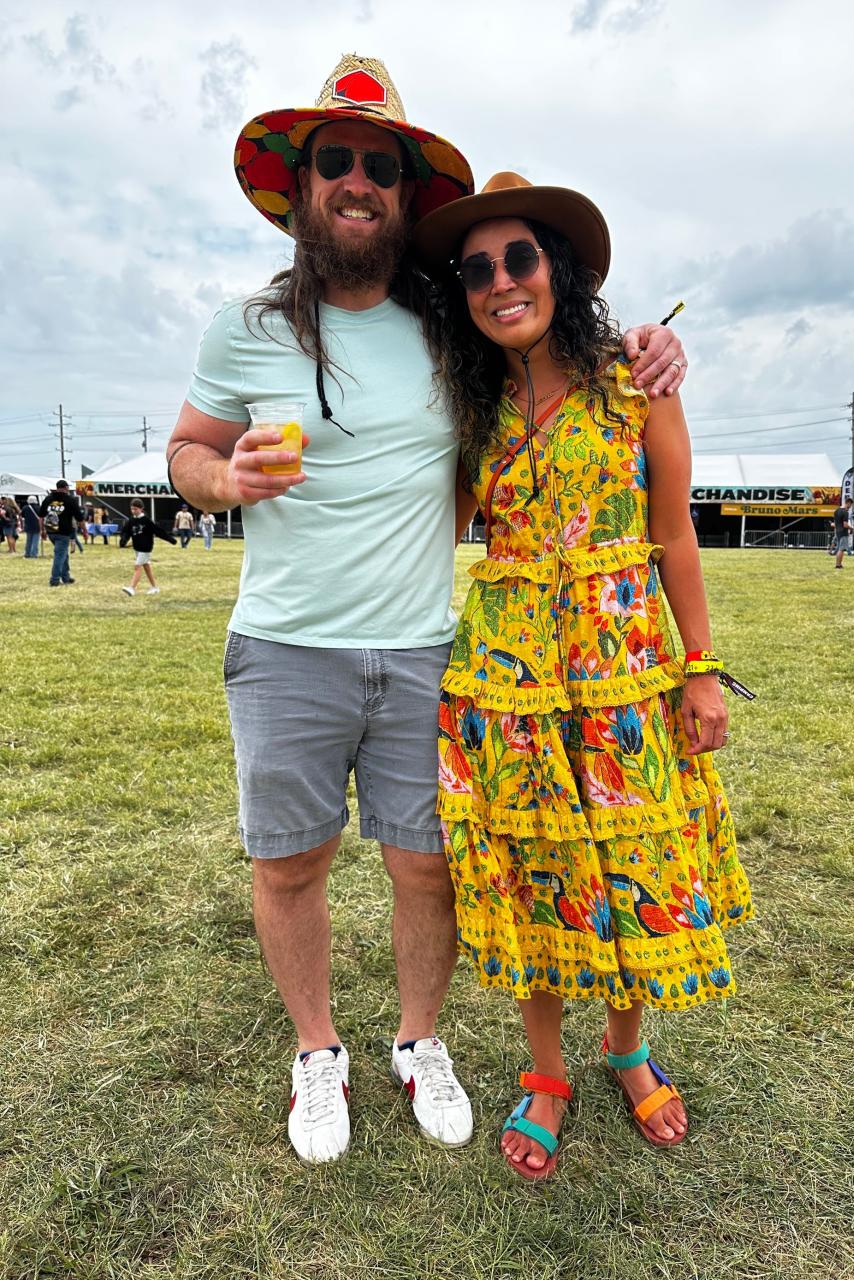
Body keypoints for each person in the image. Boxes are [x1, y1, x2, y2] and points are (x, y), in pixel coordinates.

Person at [165, 53, 689, 1166]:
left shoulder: (447, 330)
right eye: (336, 163)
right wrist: (224, 481)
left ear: (404, 198)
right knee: (290, 864)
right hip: (284, 644)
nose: (358, 182)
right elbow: (184, 452)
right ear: (303, 189)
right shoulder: (242, 326)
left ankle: (418, 1038)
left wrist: (647, 340)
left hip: (421, 650)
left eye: (380, 167)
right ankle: (319, 1050)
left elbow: (551, 347)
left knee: (426, 866)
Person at [412, 172, 752, 1180]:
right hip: (509, 678)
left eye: (519, 259)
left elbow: (674, 531)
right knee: (539, 867)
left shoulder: (632, 377)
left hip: (621, 669)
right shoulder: (465, 401)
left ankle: (628, 1048)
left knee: (629, 860)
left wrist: (700, 671)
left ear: (558, 270)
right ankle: (549, 1071)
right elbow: (437, 520)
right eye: (477, 269)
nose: (500, 282)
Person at [119, 499, 177, 594]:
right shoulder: (131, 520)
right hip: (137, 548)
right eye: (132, 509)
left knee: (137, 566)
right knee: (146, 566)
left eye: (136, 509)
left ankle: (132, 588)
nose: (133, 511)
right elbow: (126, 532)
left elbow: (158, 531)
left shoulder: (147, 521)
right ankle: (154, 587)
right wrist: (123, 541)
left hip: (145, 548)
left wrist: (171, 539)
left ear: (141, 509)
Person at [39, 481, 84, 587]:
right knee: (60, 555)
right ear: (66, 488)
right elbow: (79, 518)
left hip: (51, 531)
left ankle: (66, 577)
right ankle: (54, 580)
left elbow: (41, 516)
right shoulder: (70, 500)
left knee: (63, 554)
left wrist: (42, 530)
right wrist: (85, 531)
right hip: (63, 532)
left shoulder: (48, 499)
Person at [833, 498, 854, 569]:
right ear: (848, 503)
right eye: (851, 505)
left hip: (838, 532)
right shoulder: (845, 512)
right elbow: (845, 525)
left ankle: (839, 564)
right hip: (843, 532)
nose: (850, 507)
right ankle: (838, 565)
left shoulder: (836, 511)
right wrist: (852, 528)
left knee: (839, 548)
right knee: (841, 549)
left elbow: (835, 523)